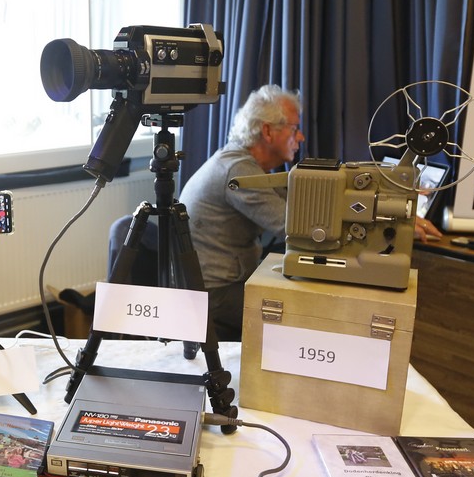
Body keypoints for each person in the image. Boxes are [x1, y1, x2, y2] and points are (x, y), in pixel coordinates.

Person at [179, 85, 442, 340]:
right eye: (295, 129)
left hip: (223, 282)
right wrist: (386, 214)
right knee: (310, 316)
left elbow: (301, 206)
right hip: (214, 292)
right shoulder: (237, 170)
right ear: (268, 131)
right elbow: (294, 225)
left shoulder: (242, 163)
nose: (301, 137)